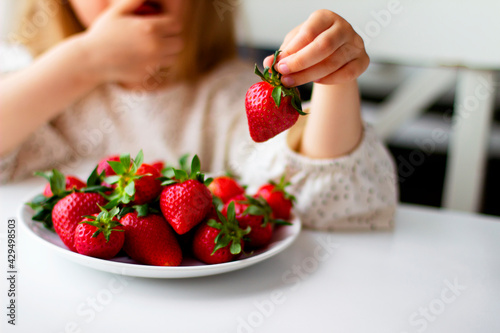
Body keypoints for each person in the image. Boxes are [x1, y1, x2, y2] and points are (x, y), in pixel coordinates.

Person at [0, 0, 397, 230]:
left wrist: (335, 80)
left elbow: (327, 204)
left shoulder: (226, 96)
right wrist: (83, 61)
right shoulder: (31, 80)